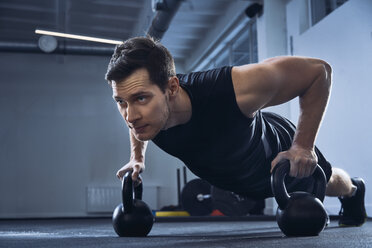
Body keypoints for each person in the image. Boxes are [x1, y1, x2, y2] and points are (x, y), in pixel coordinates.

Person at [105, 36, 367, 226]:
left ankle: (355, 189)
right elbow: (136, 121)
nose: (129, 116)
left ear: (171, 88)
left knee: (331, 182)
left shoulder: (228, 89)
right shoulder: (145, 117)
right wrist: (136, 157)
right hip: (234, 179)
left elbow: (319, 73)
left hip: (274, 159)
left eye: (140, 98)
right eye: (121, 102)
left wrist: (304, 146)